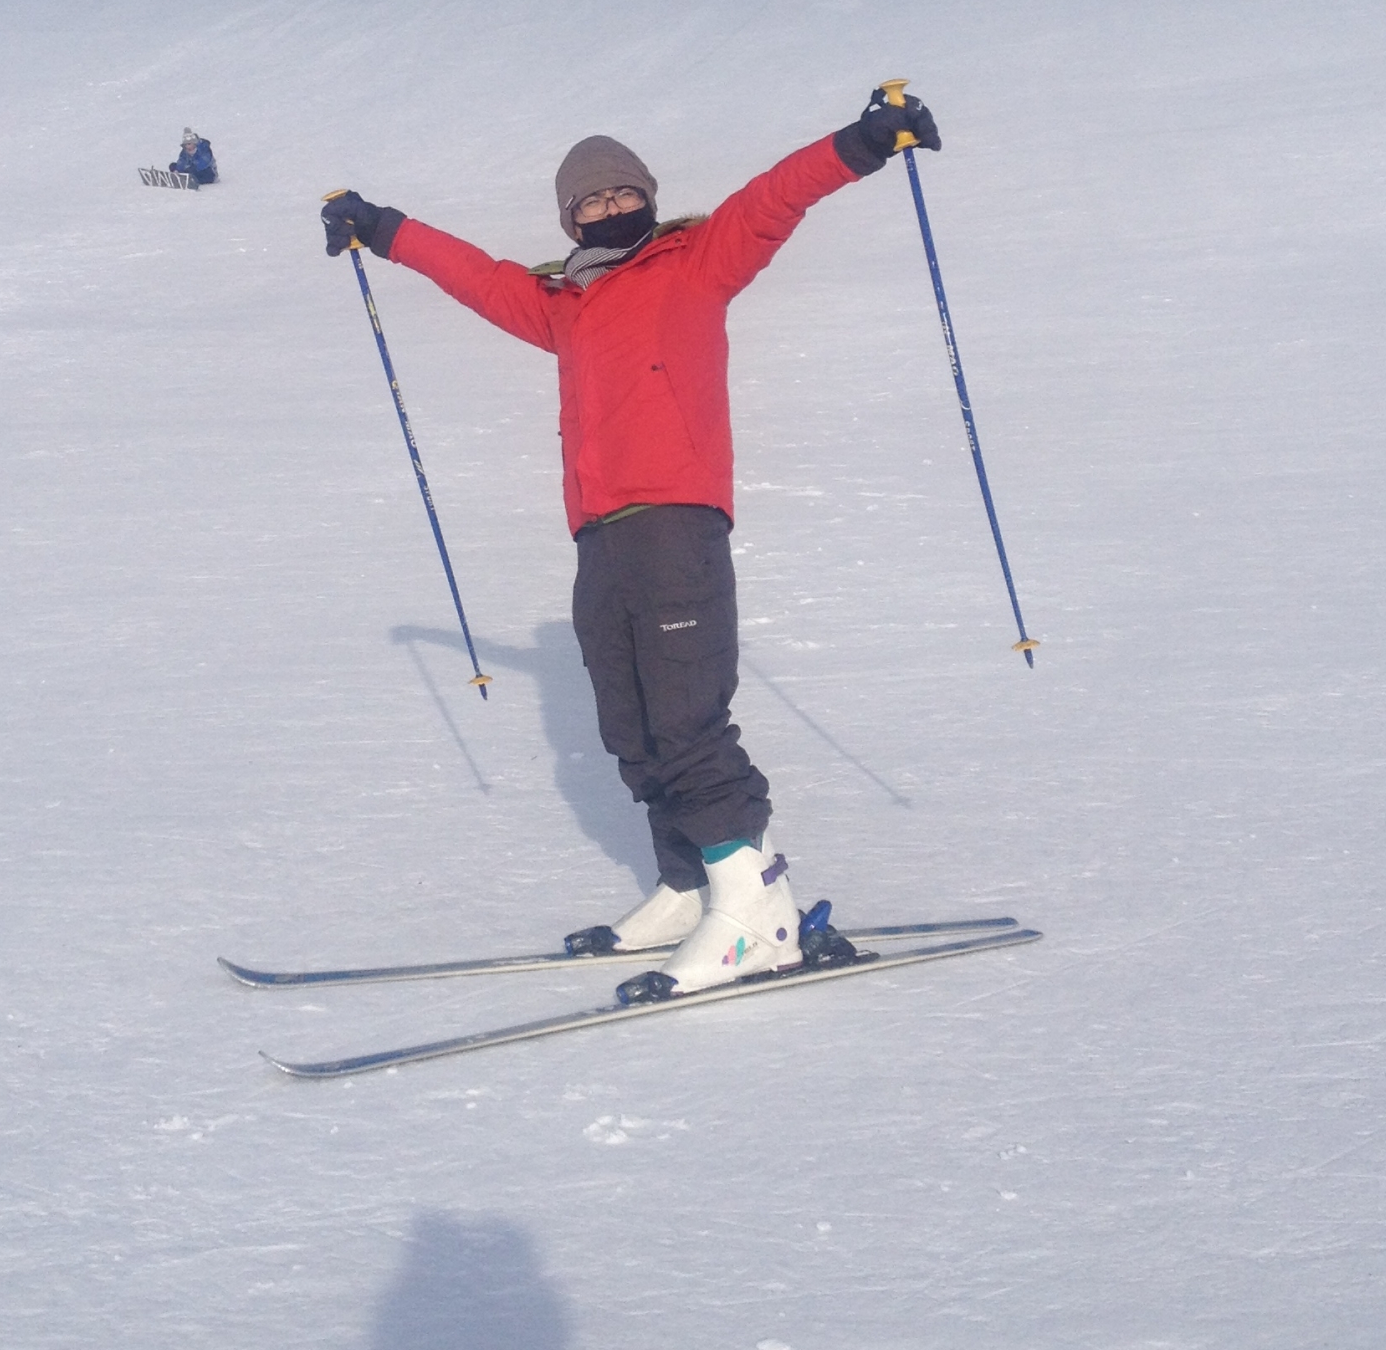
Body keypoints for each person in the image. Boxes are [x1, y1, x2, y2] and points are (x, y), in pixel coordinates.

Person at [321, 89, 941, 998]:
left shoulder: (697, 263)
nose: (608, 211)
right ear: (569, 217)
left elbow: (776, 195)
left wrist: (863, 140)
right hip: (600, 533)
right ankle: (692, 888)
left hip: (677, 520)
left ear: (646, 198)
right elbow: (475, 274)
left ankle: (759, 914)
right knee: (634, 724)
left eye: (621, 195)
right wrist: (379, 227)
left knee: (688, 719)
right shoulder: (562, 303)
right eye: (589, 203)